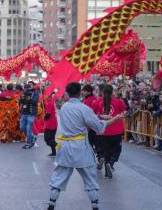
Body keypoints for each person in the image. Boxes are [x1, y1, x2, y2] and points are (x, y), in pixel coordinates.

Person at [46, 82, 124, 210]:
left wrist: (98, 117)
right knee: (90, 179)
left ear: (68, 93)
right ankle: (95, 206)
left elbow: (83, 118)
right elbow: (99, 127)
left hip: (66, 146)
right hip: (81, 147)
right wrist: (114, 119)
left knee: (58, 177)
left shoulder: (64, 107)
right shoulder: (83, 108)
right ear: (80, 92)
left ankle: (51, 204)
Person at [92, 84, 127, 178]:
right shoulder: (119, 102)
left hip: (103, 130)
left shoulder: (97, 102)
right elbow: (125, 112)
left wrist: (101, 116)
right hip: (116, 130)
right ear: (112, 92)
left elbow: (93, 114)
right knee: (116, 149)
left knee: (106, 150)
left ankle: (107, 168)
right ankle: (110, 164)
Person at [19, 83, 39, 149]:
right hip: (24, 113)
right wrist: (22, 99)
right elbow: (21, 101)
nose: (25, 90)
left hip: (31, 113)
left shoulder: (35, 93)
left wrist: (29, 98)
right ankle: (32, 138)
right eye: (25, 89)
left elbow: (35, 102)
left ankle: (28, 143)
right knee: (22, 127)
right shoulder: (23, 94)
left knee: (28, 128)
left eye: (27, 89)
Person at [43, 91, 58, 157]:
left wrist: (43, 117)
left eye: (47, 96)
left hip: (50, 124)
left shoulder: (49, 103)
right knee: (51, 138)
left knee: (47, 138)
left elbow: (47, 115)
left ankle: (59, 147)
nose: (46, 97)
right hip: (53, 123)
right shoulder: (50, 102)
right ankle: (54, 152)